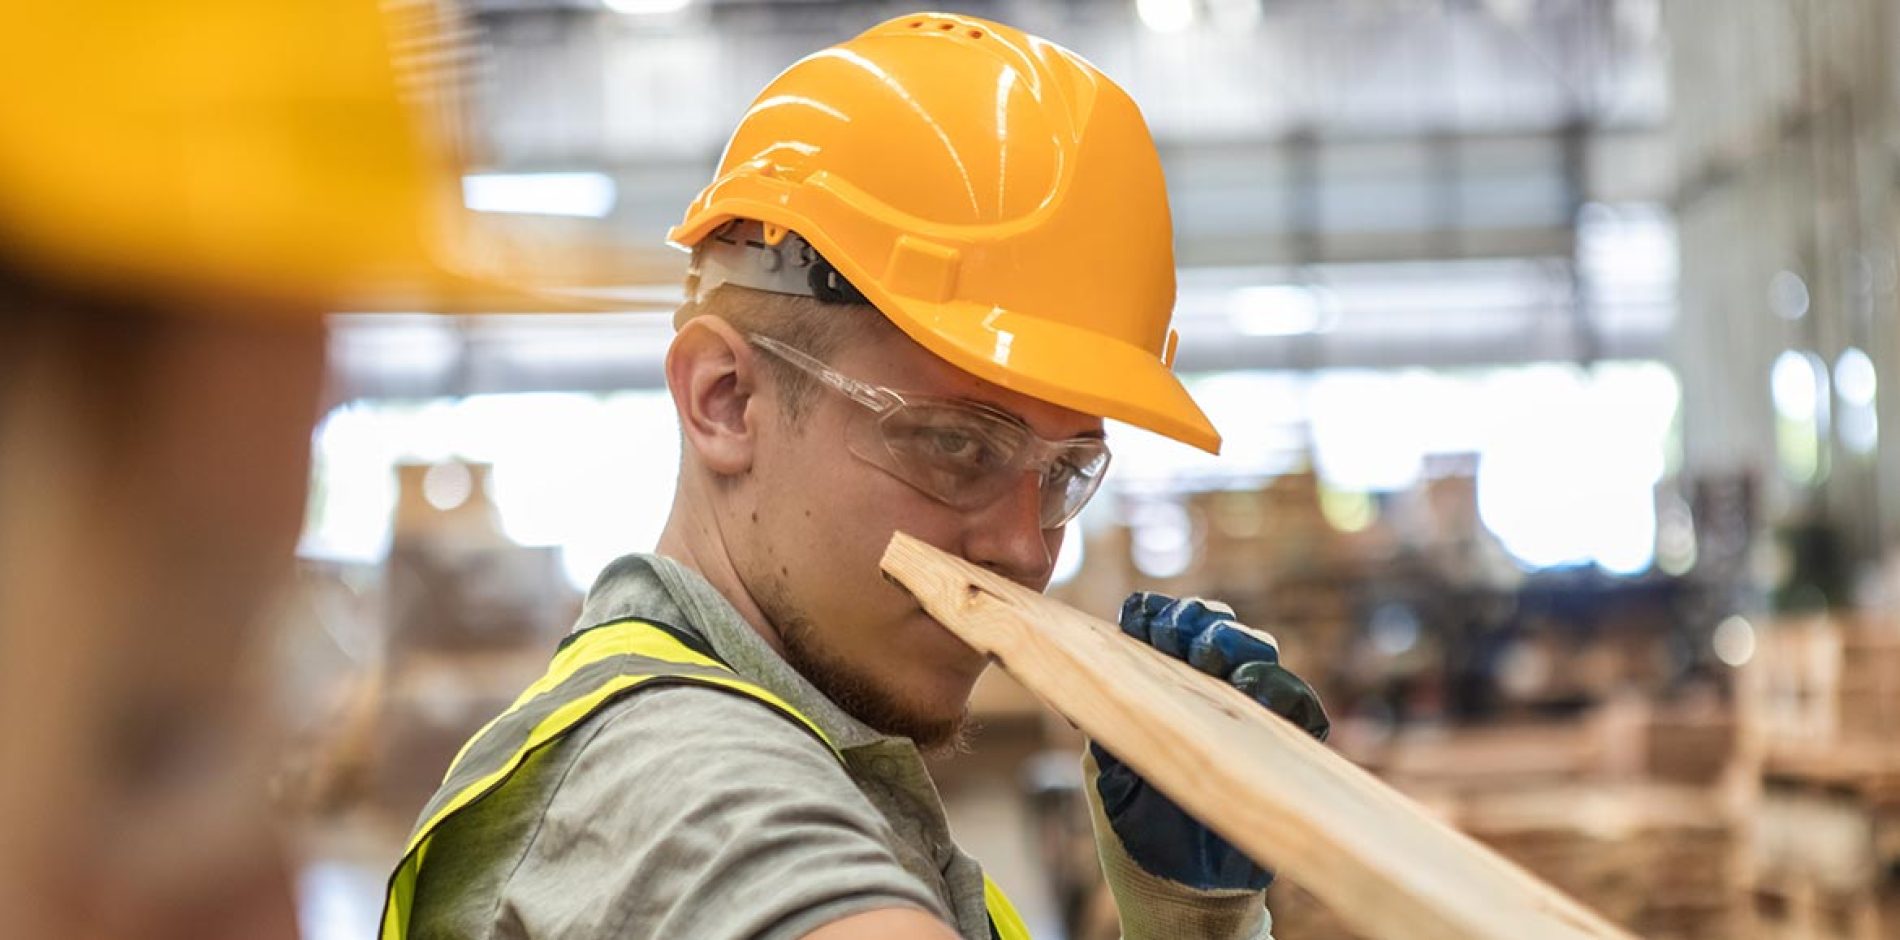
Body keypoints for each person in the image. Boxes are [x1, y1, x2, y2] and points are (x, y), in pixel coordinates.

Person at [384, 12, 1328, 940]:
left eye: (1065, 470)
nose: (1025, 548)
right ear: (724, 400)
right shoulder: (676, 793)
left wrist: (1184, 923)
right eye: (957, 445)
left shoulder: (829, 760)